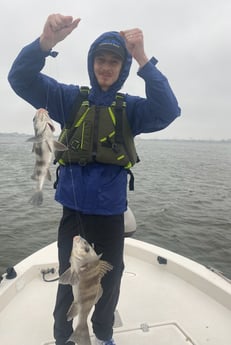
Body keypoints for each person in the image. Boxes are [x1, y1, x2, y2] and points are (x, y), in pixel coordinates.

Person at [8, 14, 181, 345]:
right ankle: (63, 336)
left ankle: (102, 335)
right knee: (67, 282)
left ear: (123, 68)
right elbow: (20, 78)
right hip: (72, 215)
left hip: (110, 216)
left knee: (108, 284)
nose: (106, 67)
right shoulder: (71, 100)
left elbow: (169, 110)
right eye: (100, 60)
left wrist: (143, 58)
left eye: (114, 61)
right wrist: (46, 43)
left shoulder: (131, 108)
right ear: (91, 63)